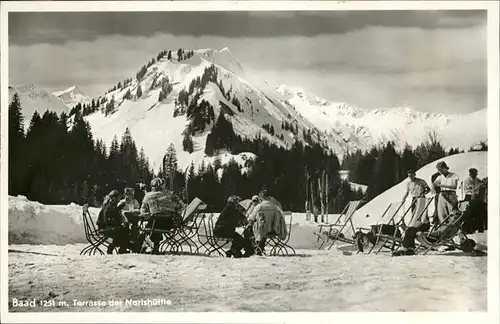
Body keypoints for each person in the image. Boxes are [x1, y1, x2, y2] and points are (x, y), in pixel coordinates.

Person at [140, 178, 186, 254]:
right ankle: (154, 247)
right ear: (161, 185)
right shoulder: (170, 194)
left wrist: (146, 215)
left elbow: (143, 211)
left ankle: (144, 246)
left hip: (155, 223)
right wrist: (176, 211)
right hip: (169, 223)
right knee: (156, 223)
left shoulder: (148, 196)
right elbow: (182, 205)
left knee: (151, 225)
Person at [247, 190, 287, 256]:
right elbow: (280, 218)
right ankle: (259, 248)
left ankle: (255, 248)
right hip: (274, 230)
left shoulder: (259, 207)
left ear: (262, 197)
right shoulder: (275, 207)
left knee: (250, 229)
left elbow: (251, 218)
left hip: (262, 230)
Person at [97, 190, 131, 254]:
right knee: (123, 230)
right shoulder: (108, 207)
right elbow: (108, 220)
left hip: (107, 227)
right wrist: (119, 224)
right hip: (105, 228)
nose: (119, 200)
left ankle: (122, 247)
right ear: (113, 198)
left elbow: (115, 211)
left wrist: (122, 205)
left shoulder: (111, 205)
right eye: (118, 198)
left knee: (124, 228)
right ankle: (116, 247)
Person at [118, 187, 142, 252]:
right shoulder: (122, 202)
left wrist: (135, 211)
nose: (129, 196)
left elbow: (138, 209)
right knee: (125, 228)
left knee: (135, 227)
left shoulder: (135, 201)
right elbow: (119, 210)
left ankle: (135, 242)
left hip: (133, 218)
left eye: (131, 195)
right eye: (127, 194)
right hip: (124, 219)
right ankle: (124, 246)